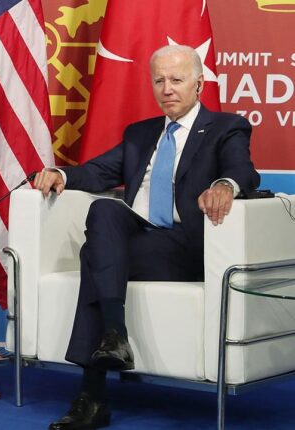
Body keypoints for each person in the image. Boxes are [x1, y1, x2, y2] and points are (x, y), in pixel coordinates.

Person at [33, 45, 259, 429]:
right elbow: (99, 171)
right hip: (138, 241)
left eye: (177, 80)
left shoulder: (226, 127)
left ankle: (92, 396)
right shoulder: (140, 133)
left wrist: (225, 184)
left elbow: (244, 170)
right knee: (104, 211)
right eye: (159, 81)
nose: (167, 89)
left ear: (199, 84)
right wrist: (61, 174)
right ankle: (115, 335)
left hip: (185, 246)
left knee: (94, 256)